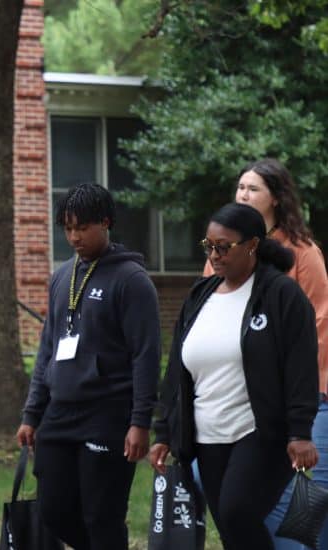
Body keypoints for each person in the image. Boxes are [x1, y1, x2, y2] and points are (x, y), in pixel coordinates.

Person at [151, 202, 319, 550]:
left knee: (237, 513)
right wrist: (164, 431)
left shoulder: (280, 295)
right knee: (230, 530)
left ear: (252, 245)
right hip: (207, 435)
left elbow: (301, 366)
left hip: (260, 432)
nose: (215, 255)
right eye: (209, 246)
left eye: (224, 247)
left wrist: (300, 431)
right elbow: (176, 370)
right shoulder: (200, 295)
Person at [16, 183, 160, 550]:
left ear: (106, 223)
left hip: (107, 415)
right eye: (67, 228)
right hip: (59, 415)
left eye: (82, 228)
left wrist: (140, 422)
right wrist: (32, 414)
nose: (74, 237)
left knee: (102, 516)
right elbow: (48, 347)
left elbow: (145, 355)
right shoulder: (62, 276)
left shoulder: (132, 281)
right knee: (54, 511)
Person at [201, 159, 328, 550]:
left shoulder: (302, 253)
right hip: (238, 397)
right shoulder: (220, 254)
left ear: (276, 198)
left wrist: (301, 391)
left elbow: (320, 324)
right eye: (240, 187)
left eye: (253, 189)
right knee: (237, 498)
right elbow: (207, 316)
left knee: (311, 489)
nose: (243, 194)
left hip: (307, 393)